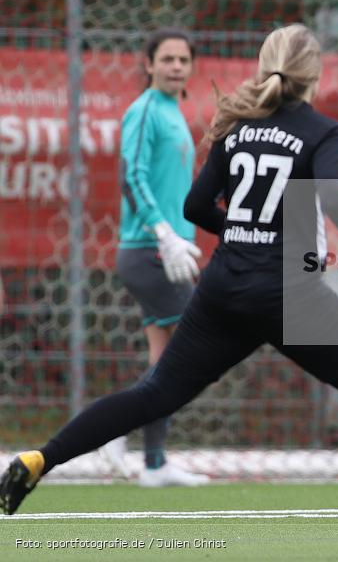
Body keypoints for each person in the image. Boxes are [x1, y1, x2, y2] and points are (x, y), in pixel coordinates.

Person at [0, 23, 338, 559]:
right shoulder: (322, 132)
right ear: (314, 75)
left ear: (264, 66)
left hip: (224, 288)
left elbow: (194, 208)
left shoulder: (236, 129)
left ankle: (40, 459)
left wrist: (243, 233)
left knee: (156, 393)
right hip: (287, 293)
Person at [101, 28, 210, 488]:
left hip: (170, 252)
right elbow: (132, 177)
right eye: (166, 58)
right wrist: (163, 233)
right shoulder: (144, 111)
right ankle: (112, 429)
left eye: (183, 59)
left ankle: (154, 462)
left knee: (165, 359)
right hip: (149, 253)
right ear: (148, 64)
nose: (176, 66)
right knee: (200, 346)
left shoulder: (175, 112)